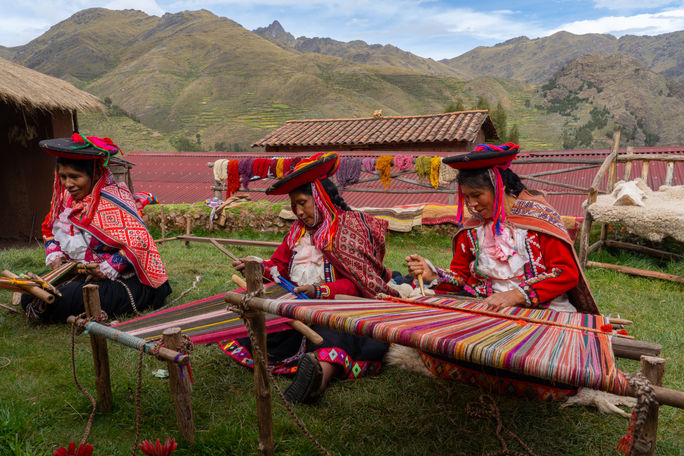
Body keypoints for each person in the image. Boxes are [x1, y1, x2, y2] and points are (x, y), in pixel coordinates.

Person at [405, 143, 598, 400]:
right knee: (434, 338)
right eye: (467, 197)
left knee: (553, 366)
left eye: (477, 195)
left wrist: (515, 297)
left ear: (499, 187)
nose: (472, 205)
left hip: (543, 313)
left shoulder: (539, 220)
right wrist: (432, 274)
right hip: (490, 311)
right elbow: (462, 278)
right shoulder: (472, 230)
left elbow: (566, 273)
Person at [223, 151, 399, 404]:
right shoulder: (297, 233)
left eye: (303, 202)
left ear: (320, 198)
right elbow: (279, 267)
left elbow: (359, 283)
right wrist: (256, 267)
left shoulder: (348, 229)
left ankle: (317, 378)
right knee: (257, 324)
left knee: (336, 334)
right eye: (294, 205)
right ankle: (310, 366)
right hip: (297, 308)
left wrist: (321, 291)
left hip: (340, 308)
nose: (298, 211)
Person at [21, 133, 172, 322]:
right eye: (63, 177)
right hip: (82, 272)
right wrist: (55, 253)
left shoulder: (112, 200)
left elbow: (141, 241)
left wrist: (109, 267)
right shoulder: (68, 200)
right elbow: (49, 229)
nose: (68, 184)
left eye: (75, 177)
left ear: (95, 174)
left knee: (63, 298)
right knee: (30, 289)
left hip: (125, 278)